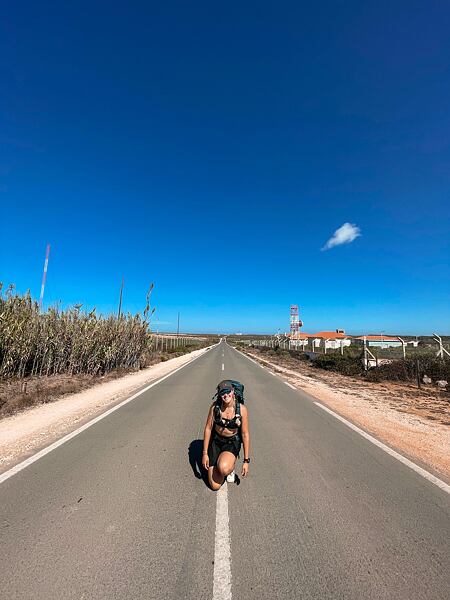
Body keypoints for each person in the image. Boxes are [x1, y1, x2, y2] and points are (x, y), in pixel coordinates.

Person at [202, 380, 250, 490]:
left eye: (228, 392)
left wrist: (246, 461)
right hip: (216, 441)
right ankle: (220, 459)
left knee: (223, 468)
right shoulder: (215, 408)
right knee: (215, 486)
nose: (226, 395)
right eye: (223, 393)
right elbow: (208, 429)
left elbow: (245, 434)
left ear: (233, 391)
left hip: (231, 442)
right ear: (219, 395)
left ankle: (230, 466)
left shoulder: (241, 409)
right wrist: (205, 454)